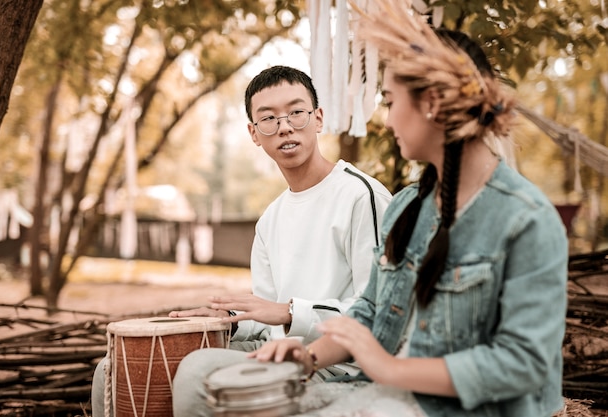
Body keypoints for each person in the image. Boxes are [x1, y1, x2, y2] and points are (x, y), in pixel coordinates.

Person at [244, 3, 569, 417]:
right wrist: (306, 358)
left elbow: (523, 364)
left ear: (431, 103)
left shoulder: (527, 219)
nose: (387, 116)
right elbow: (369, 311)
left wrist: (391, 369)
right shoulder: (407, 206)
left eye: (391, 100)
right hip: (389, 397)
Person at [90, 65, 392, 417]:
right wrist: (229, 320)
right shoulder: (270, 219)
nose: (284, 127)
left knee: (196, 374)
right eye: (269, 119)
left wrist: (290, 311)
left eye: (297, 112)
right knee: (108, 370)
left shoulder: (360, 196)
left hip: (334, 368)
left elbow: (376, 310)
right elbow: (267, 317)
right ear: (254, 133)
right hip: (275, 354)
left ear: (318, 118)